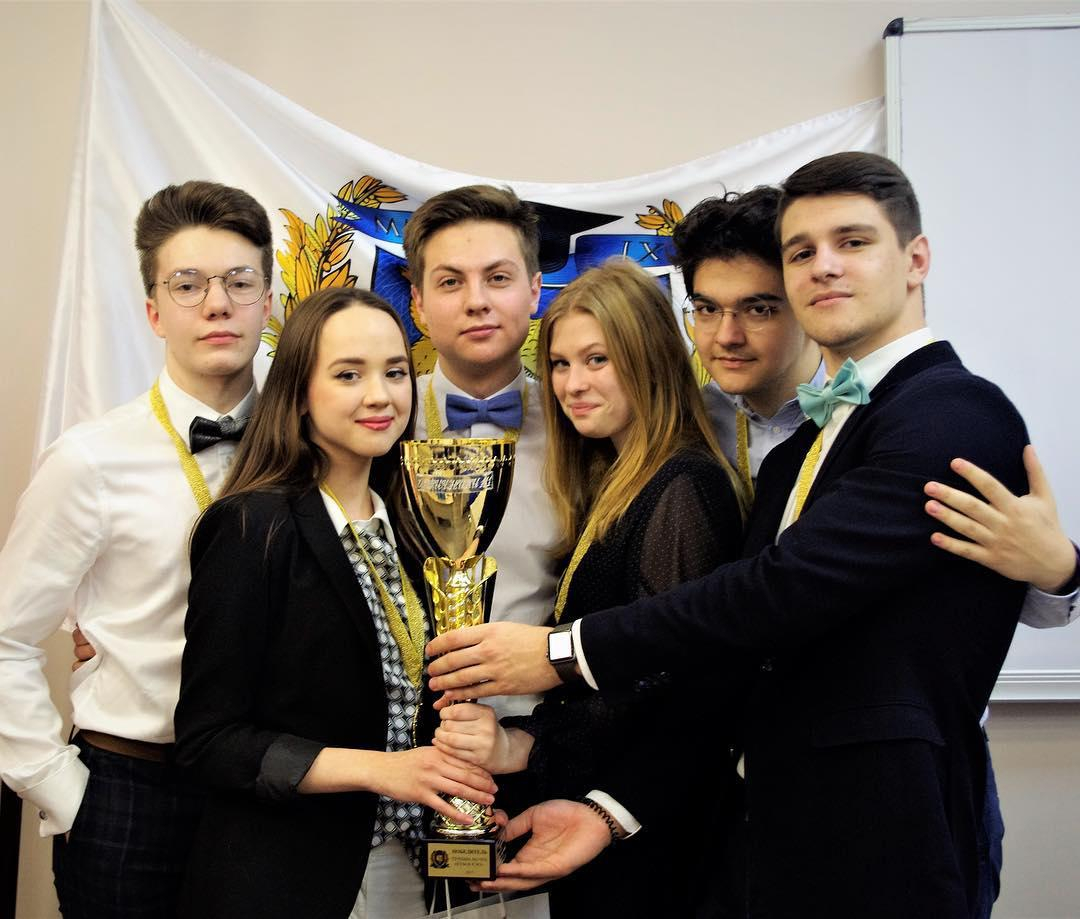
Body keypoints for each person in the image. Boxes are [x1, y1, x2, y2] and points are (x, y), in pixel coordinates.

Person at [426, 152, 1037, 918]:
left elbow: (777, 593)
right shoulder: (789, 450)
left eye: (851, 242)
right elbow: (736, 663)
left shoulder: (951, 410)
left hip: (890, 815)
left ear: (916, 259)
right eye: (802, 252)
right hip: (760, 818)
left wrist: (559, 652)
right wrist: (605, 804)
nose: (730, 333)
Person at [676, 186, 1080, 918]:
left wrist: (1061, 570)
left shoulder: (917, 413)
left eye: (759, 307)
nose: (727, 335)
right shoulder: (683, 425)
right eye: (706, 308)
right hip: (747, 780)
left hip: (896, 785)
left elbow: (956, 579)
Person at [434, 259, 746, 917]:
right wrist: (523, 746)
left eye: (597, 359)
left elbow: (678, 688)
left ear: (650, 358)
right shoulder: (619, 474)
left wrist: (542, 757)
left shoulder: (684, 484)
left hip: (652, 843)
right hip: (598, 824)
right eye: (559, 363)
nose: (573, 384)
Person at [172, 287, 495, 919]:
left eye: (395, 372)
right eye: (349, 375)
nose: (380, 396)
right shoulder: (253, 526)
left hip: (414, 871)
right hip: (291, 877)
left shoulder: (419, 531)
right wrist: (380, 770)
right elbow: (210, 741)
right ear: (299, 393)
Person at [0, 181, 272, 916]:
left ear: (268, 302)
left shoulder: (311, 448)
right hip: (131, 793)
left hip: (270, 790)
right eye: (188, 284)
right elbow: (6, 637)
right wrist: (58, 786)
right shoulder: (89, 459)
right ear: (154, 311)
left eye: (239, 282)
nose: (217, 304)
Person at [404, 185, 561, 721]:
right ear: (418, 304)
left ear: (534, 291)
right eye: (451, 282)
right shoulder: (378, 424)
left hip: (542, 733)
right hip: (396, 741)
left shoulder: (581, 428)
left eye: (497, 278)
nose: (477, 301)